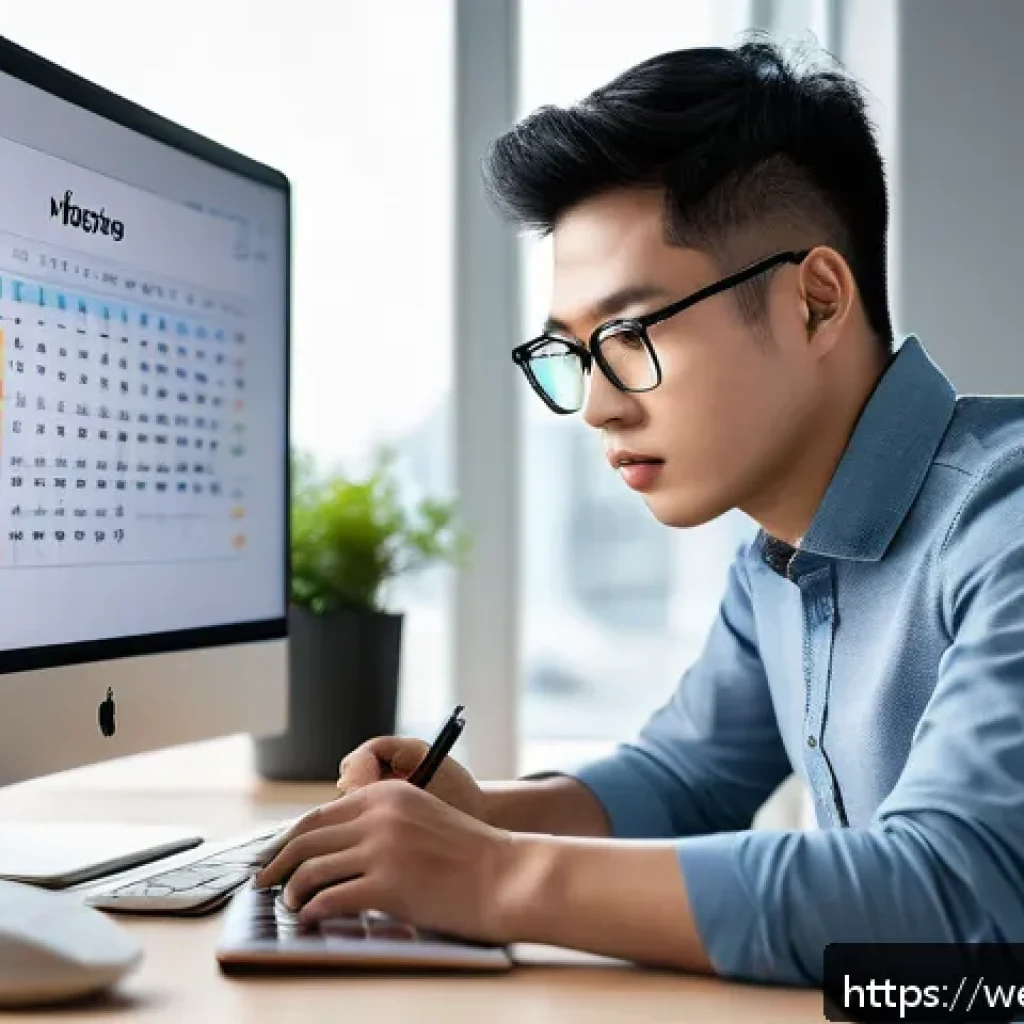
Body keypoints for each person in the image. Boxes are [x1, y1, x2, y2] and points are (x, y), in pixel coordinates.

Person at [255, 37, 1024, 985]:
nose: (598, 405)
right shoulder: (780, 555)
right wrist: (477, 815)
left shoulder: (1006, 522)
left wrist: (493, 874)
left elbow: (958, 901)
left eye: (627, 335)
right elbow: (684, 779)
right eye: (571, 353)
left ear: (817, 301)